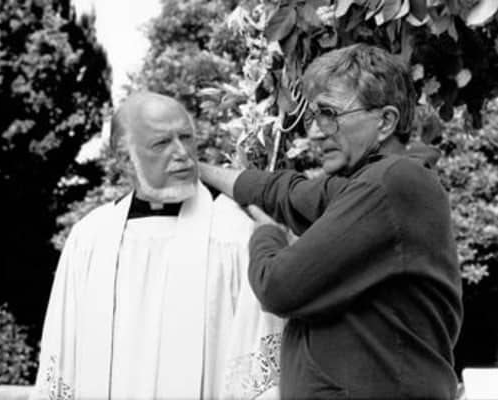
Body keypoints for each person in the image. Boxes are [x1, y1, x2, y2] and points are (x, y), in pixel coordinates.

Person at [199, 44, 463, 399]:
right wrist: (198, 170)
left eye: (329, 114)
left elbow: (278, 286)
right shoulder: (370, 184)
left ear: (385, 121)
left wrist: (267, 236)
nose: (316, 131)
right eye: (313, 116)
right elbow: (285, 192)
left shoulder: (391, 182)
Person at [31, 92, 284, 400]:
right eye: (162, 142)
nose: (182, 153)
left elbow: (257, 362)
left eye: (186, 138)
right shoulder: (89, 239)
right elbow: (62, 353)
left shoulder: (234, 234)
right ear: (125, 159)